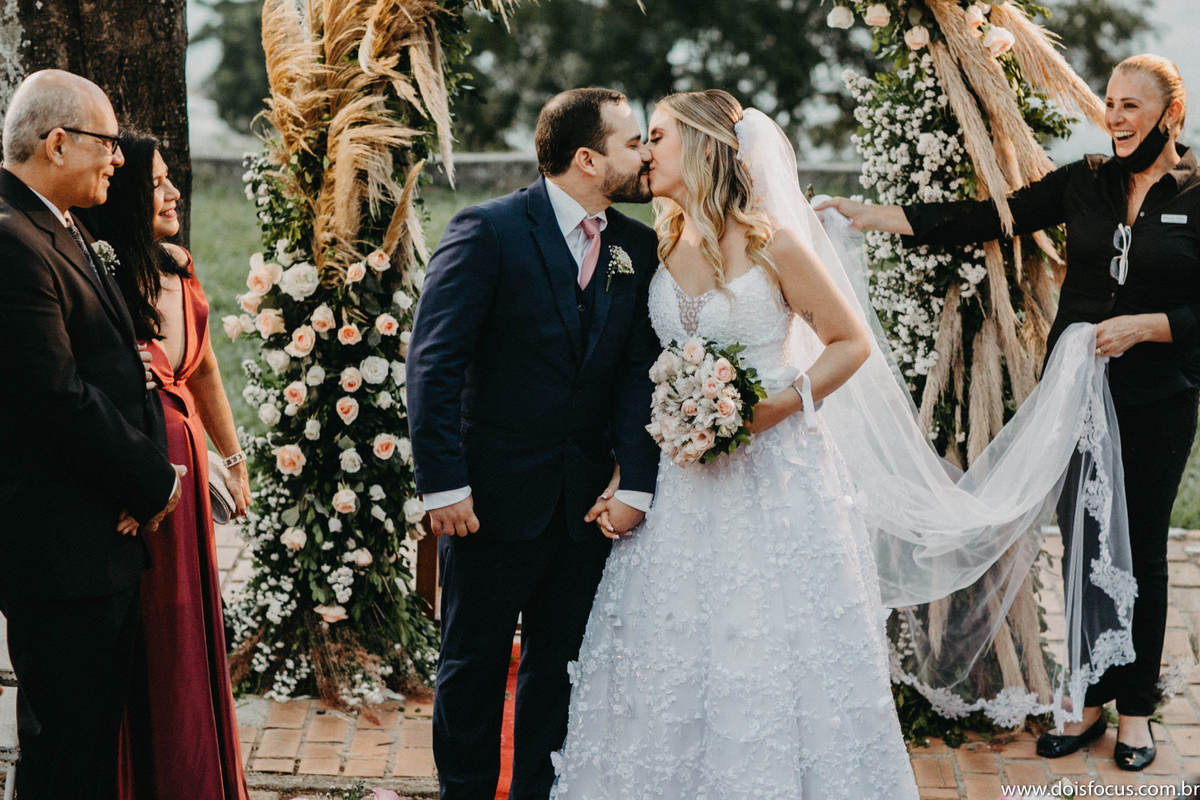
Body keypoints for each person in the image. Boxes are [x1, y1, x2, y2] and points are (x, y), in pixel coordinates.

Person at [819, 53, 1197, 770]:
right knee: (1083, 546)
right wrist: (869, 215)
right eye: (1109, 103)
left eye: (1129, 107)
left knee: (1141, 550)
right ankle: (1086, 702)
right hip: (1076, 400)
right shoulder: (1085, 183)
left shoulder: (1199, 193)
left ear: (1168, 116)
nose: (1112, 118)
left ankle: (1138, 712)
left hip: (1159, 397)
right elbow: (990, 217)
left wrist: (1151, 326)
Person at [551, 90, 919, 800]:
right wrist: (635, 463)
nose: (646, 152)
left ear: (703, 146)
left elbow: (850, 344)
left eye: (657, 136)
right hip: (684, 488)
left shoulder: (770, 242)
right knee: (676, 647)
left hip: (774, 478)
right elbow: (644, 377)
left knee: (767, 644)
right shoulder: (660, 242)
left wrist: (779, 405)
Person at [406, 88, 662, 800]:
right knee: (473, 665)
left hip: (584, 508)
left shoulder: (635, 247)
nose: (646, 154)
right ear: (587, 158)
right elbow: (434, 360)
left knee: (562, 668)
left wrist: (634, 480)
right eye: (633, 141)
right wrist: (444, 485)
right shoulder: (487, 231)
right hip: (486, 499)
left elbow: (640, 374)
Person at [0, 70, 184, 799]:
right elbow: (52, 395)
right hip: (60, 539)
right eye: (107, 143)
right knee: (66, 746)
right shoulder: (12, 241)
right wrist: (152, 479)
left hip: (100, 532)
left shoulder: (63, 225)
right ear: (57, 143)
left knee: (92, 733)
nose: (119, 159)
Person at [79, 131, 251, 799]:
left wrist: (232, 457)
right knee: (150, 628)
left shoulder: (177, 269)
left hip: (187, 462)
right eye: (155, 184)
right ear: (123, 196)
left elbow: (204, 366)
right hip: (139, 475)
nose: (174, 192)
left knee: (187, 626)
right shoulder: (97, 279)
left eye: (172, 179)